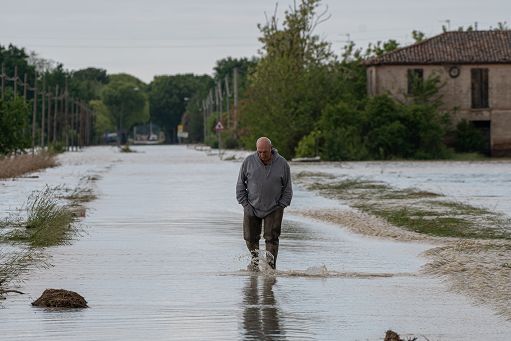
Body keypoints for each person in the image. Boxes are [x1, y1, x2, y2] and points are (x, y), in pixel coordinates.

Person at [236, 137, 293, 270]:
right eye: (259, 152)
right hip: (251, 206)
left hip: (274, 208)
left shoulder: (283, 164)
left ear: (271, 149)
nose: (262, 155)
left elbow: (287, 188)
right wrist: (245, 204)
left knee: (272, 238)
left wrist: (281, 205)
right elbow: (240, 185)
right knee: (250, 237)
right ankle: (255, 262)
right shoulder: (248, 162)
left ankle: (270, 266)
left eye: (265, 152)